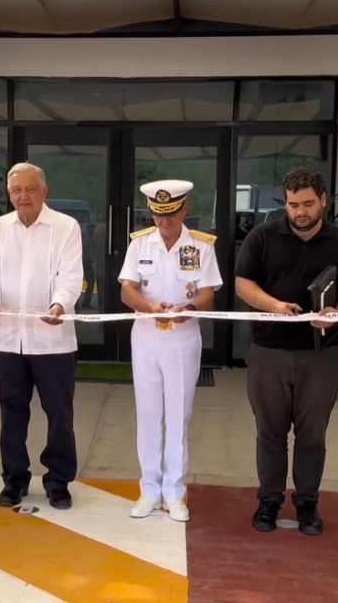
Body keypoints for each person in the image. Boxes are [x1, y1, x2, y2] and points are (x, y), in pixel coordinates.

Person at [234, 167, 338, 536]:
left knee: (312, 434)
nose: (300, 212)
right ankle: (269, 501)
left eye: (307, 204)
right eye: (292, 205)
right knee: (270, 432)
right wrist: (273, 305)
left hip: (319, 355)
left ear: (323, 200)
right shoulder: (262, 236)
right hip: (268, 351)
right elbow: (244, 284)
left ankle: (307, 504)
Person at [0, 162, 84, 510]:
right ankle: (14, 479)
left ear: (44, 191)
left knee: (59, 414)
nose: (23, 196)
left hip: (53, 339)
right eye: (16, 190)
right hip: (10, 339)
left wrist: (59, 304)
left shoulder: (65, 227)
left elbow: (70, 275)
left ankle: (58, 481)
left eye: (30, 189)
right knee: (12, 413)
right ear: (9, 194)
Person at [119, 180, 221, 522]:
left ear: (185, 209)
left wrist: (187, 308)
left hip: (182, 337)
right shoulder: (139, 244)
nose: (165, 222)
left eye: (172, 214)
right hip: (146, 336)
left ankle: (175, 493)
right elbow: (127, 290)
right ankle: (149, 489)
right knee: (148, 414)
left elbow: (208, 294)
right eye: (159, 215)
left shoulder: (202, 247)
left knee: (178, 414)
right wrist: (148, 307)